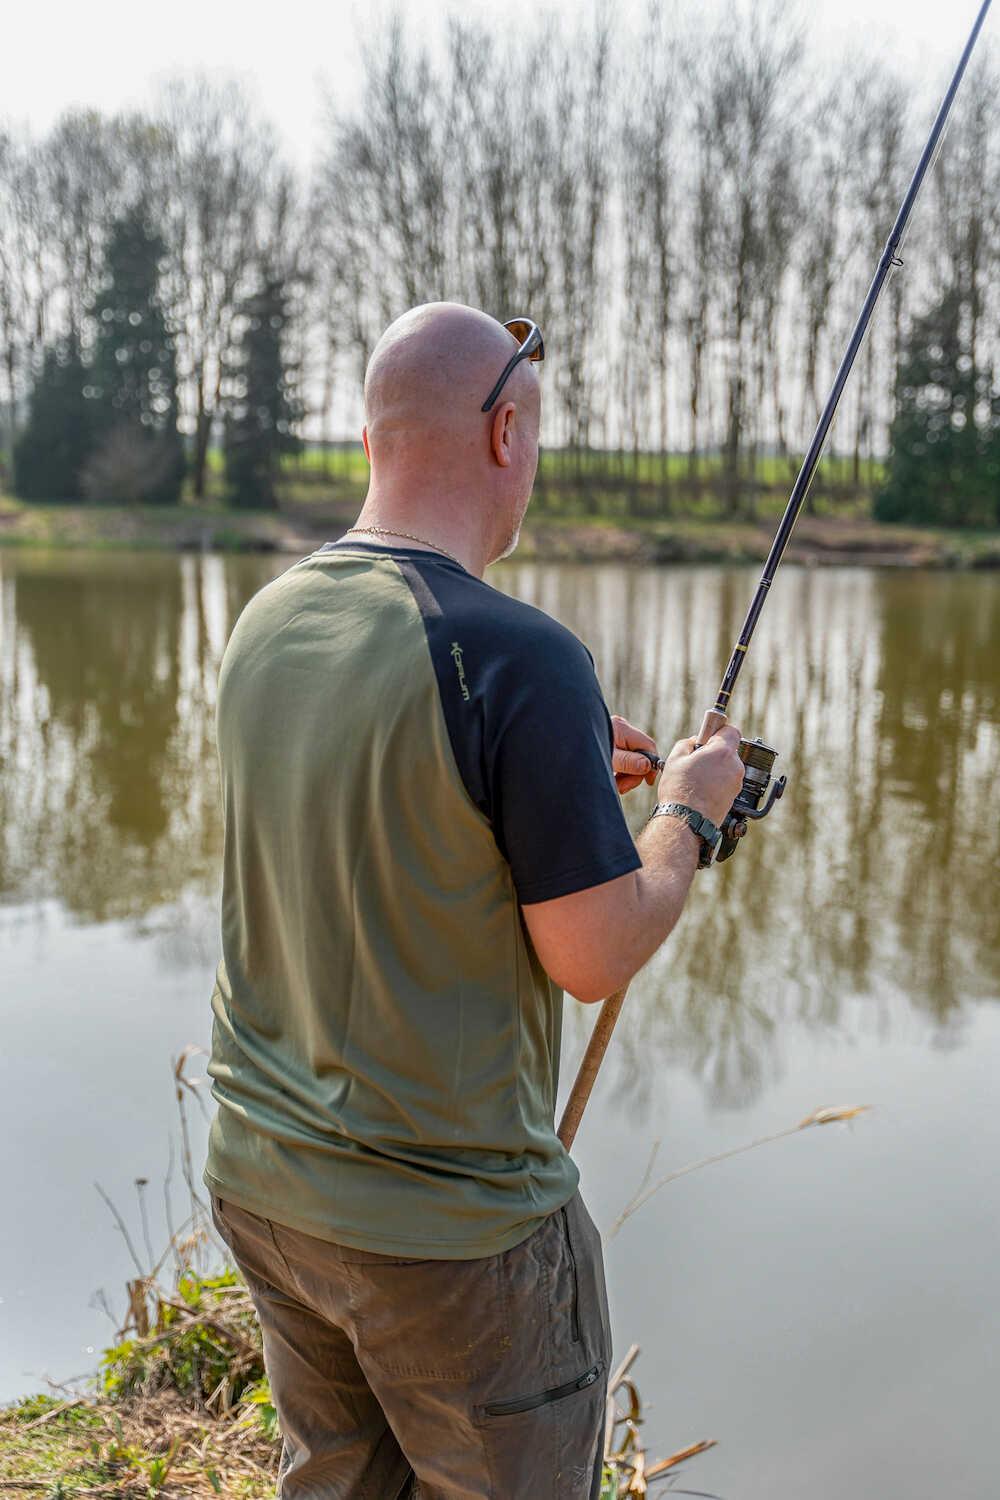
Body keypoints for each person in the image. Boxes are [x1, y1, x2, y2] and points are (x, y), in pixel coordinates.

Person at [203, 302, 744, 1499]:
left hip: (264, 1189)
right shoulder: (517, 657)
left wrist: (550, 773)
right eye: (533, 436)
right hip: (449, 1244)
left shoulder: (267, 619)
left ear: (370, 444)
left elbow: (385, 814)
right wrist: (689, 815)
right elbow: (594, 954)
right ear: (507, 436)